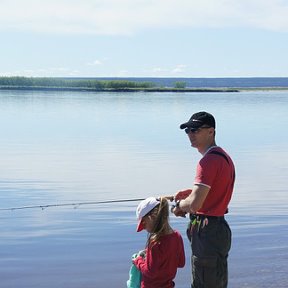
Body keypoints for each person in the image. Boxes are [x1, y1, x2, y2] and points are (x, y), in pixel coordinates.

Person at [172, 111, 235, 288]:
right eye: (188, 130)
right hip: (218, 229)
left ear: (211, 131)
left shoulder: (207, 162)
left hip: (207, 232)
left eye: (196, 129)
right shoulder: (223, 157)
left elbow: (194, 205)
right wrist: (193, 192)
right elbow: (216, 190)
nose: (191, 134)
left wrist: (178, 206)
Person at [132, 197, 185, 288]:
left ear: (152, 217)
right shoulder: (177, 236)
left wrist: (138, 261)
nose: (144, 228)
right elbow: (181, 263)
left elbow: (149, 272)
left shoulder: (155, 242)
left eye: (144, 223)